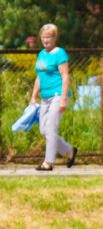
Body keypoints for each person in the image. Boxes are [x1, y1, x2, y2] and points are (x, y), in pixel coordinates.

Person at [29, 23, 76, 171]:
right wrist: (33, 96)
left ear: (55, 38)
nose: (45, 40)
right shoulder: (42, 54)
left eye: (48, 37)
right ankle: (69, 151)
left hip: (57, 95)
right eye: (43, 37)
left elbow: (66, 77)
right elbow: (39, 76)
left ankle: (48, 163)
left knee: (50, 128)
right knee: (43, 130)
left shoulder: (59, 53)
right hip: (45, 97)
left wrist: (63, 99)